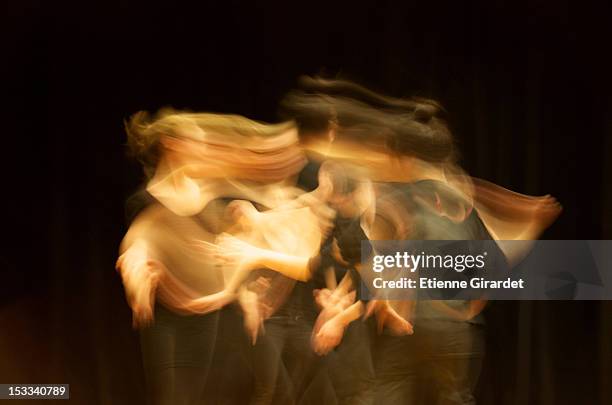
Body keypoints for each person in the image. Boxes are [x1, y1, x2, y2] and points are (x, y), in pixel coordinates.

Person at [116, 109, 308, 405]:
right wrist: (137, 275)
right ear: (172, 144)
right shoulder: (149, 198)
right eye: (199, 141)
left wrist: (241, 289)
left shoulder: (207, 192)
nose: (205, 148)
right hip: (166, 319)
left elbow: (232, 238)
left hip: (206, 317)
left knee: (196, 395)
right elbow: (140, 243)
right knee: (170, 399)